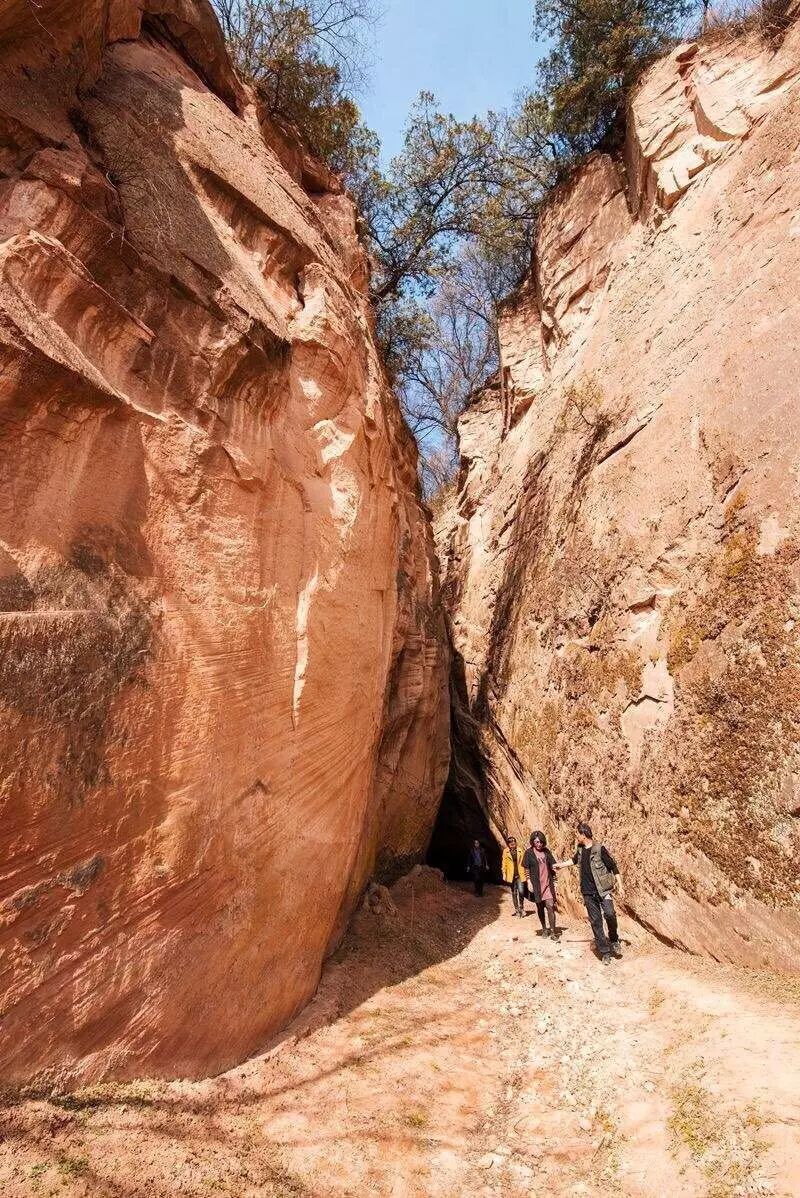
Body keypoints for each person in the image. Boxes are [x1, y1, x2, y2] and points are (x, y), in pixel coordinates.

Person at [555, 822, 624, 963]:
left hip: (603, 891)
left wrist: (621, 886)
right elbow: (573, 860)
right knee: (596, 922)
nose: (576, 836)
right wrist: (560, 866)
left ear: (583, 834)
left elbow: (613, 867)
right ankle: (605, 952)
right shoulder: (580, 850)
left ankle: (614, 939)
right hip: (587, 892)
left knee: (610, 914)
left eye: (578, 834)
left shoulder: (599, 849)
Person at [523, 831, 558, 938]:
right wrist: (528, 881)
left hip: (547, 884)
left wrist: (555, 881)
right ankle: (544, 929)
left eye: (541, 842)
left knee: (550, 906)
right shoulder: (529, 853)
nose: (539, 844)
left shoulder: (546, 851)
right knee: (540, 907)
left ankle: (553, 931)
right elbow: (526, 868)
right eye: (537, 842)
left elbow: (553, 865)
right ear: (533, 842)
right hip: (537, 885)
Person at [501, 836, 527, 916]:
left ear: (515, 842)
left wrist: (526, 872)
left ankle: (521, 907)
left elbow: (524, 862)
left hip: (520, 874)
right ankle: (517, 910)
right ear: (508, 844)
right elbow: (504, 863)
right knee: (514, 892)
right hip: (511, 875)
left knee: (521, 891)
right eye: (510, 842)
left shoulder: (520, 850)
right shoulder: (506, 851)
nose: (512, 843)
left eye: (513, 841)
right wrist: (504, 873)